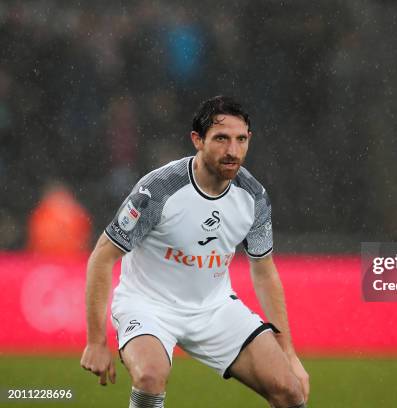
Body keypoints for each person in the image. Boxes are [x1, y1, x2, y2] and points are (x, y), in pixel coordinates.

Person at [80, 96, 309, 408]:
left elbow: (264, 269)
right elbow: (103, 256)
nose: (233, 151)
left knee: (290, 392)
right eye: (221, 139)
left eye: (241, 139)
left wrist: (289, 352)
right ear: (197, 140)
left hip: (214, 308)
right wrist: (96, 341)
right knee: (149, 376)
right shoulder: (158, 191)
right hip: (148, 305)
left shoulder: (253, 197)